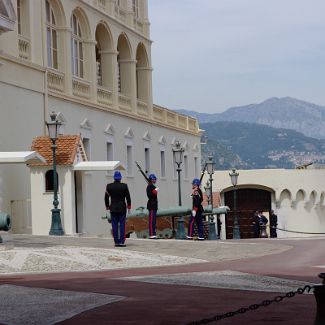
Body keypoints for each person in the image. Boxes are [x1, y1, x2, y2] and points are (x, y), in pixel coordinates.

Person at [105, 171, 131, 247]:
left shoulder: (109, 186)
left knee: (114, 225)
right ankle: (122, 241)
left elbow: (106, 197)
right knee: (122, 225)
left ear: (114, 177)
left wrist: (107, 206)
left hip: (113, 208)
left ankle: (116, 241)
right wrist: (129, 206)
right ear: (120, 178)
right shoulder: (124, 186)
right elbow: (128, 197)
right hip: (122, 208)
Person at [147, 174, 158, 239]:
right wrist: (155, 190)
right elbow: (149, 195)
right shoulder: (149, 186)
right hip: (151, 205)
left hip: (154, 205)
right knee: (151, 220)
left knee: (153, 220)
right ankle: (151, 233)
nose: (155, 180)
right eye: (154, 179)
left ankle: (153, 233)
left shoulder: (152, 186)